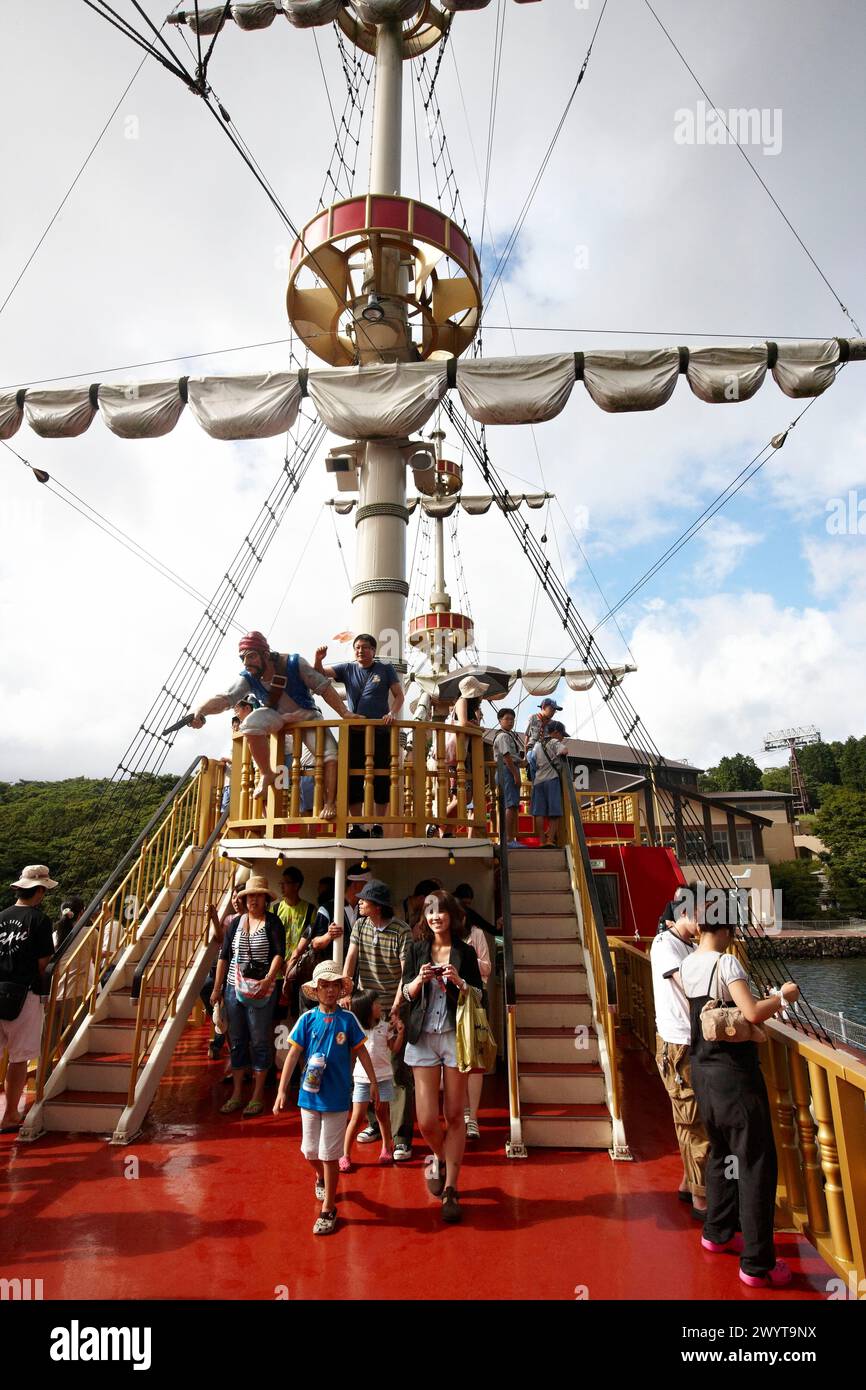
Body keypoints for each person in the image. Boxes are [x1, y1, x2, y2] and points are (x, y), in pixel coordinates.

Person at [680, 891, 800, 1288]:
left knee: (720, 1154)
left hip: (703, 1072)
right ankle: (757, 1262)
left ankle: (716, 1232)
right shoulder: (726, 960)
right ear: (729, 929)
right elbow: (750, 1012)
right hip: (735, 1078)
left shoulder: (689, 963)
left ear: (701, 926)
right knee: (755, 1164)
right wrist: (783, 997)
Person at [191, 630, 351, 813]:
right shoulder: (248, 676)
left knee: (330, 755)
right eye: (242, 657)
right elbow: (226, 698)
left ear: (265, 654)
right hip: (276, 716)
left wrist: (345, 712)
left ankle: (330, 803)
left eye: (251, 656)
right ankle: (266, 772)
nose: (246, 662)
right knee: (250, 723)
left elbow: (323, 687)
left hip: (306, 715)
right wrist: (201, 711)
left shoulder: (294, 663)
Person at [274, 960, 379, 1236]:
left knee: (329, 1153)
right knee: (310, 1151)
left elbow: (363, 1052)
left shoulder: (348, 1020)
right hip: (309, 1097)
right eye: (324, 986)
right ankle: (320, 1175)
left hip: (336, 1098)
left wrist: (373, 1082)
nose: (330, 991)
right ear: (316, 990)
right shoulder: (307, 1020)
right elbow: (294, 1054)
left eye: (334, 986)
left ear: (340, 989)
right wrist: (282, 1089)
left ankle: (329, 1208)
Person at [396, 890, 483, 1223]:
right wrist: (418, 980)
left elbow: (478, 994)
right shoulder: (416, 949)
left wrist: (459, 982)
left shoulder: (465, 952)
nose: (435, 917)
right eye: (429, 911)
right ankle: (439, 1155)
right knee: (427, 1120)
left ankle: (450, 1188)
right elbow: (404, 993)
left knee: (454, 1114)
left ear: (452, 915)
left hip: (453, 1036)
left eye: (440, 911)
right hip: (422, 1038)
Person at [341, 878, 414, 1159]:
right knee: (366, 1065)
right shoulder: (360, 925)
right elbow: (351, 957)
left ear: (378, 906)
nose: (359, 902)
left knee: (396, 1070)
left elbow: (406, 972)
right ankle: (374, 1123)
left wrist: (396, 1006)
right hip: (365, 1007)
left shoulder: (401, 931)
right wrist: (347, 988)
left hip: (392, 1005)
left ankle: (401, 1136)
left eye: (364, 899)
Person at [649, 884, 708, 1215]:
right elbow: (693, 987)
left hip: (693, 1039)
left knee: (697, 1114)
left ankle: (690, 1182)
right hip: (678, 1043)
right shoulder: (665, 946)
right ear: (685, 912)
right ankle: (702, 1197)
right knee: (692, 1118)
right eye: (704, 911)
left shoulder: (687, 946)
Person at [315, 633, 404, 836]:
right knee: (353, 776)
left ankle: (378, 825)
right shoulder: (347, 668)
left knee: (381, 775)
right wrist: (318, 660)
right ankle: (357, 825)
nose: (360, 651)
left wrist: (392, 713)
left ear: (373, 650)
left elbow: (399, 694)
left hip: (380, 730)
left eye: (365, 647)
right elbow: (319, 673)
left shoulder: (385, 669)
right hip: (354, 730)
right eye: (357, 647)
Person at [211, 875, 285, 1116]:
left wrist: (268, 978)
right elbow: (224, 956)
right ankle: (236, 1094)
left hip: (261, 989)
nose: (253, 900)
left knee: (260, 1040)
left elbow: (278, 953)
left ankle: (257, 1094)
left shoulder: (273, 923)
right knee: (238, 1040)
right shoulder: (235, 923)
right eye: (249, 896)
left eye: (257, 896)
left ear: (265, 899)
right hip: (234, 988)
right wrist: (218, 988)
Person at [0, 865, 57, 1133]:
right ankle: (10, 1114)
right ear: (41, 891)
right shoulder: (40, 920)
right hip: (24, 994)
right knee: (19, 1058)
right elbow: (43, 962)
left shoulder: (1, 916)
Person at [284, 865, 369, 1013]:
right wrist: (329, 935)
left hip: (356, 979)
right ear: (357, 885)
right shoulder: (328, 908)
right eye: (367, 884)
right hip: (328, 979)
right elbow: (315, 943)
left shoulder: (364, 911)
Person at [341, 989, 400, 1170]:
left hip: (383, 1077)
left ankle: (386, 1148)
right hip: (361, 1078)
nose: (380, 1006)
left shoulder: (384, 1027)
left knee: (383, 1114)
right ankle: (345, 1154)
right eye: (376, 1003)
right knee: (357, 1117)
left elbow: (394, 1048)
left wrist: (400, 1033)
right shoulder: (356, 1030)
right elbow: (352, 1054)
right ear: (366, 1008)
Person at [530, 718, 567, 847]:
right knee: (555, 812)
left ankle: (541, 841)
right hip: (552, 780)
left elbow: (532, 760)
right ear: (556, 732)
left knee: (539, 812)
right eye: (562, 734)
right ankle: (550, 840)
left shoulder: (537, 745)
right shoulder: (555, 741)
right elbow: (564, 750)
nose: (562, 738)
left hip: (538, 781)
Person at [493, 707, 523, 848]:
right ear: (500, 721)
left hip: (509, 769)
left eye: (512, 719)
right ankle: (508, 839)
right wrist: (516, 775)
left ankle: (509, 838)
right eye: (507, 719)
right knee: (510, 805)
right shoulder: (503, 736)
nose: (510, 722)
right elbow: (506, 756)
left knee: (511, 805)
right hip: (507, 770)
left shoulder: (508, 735)